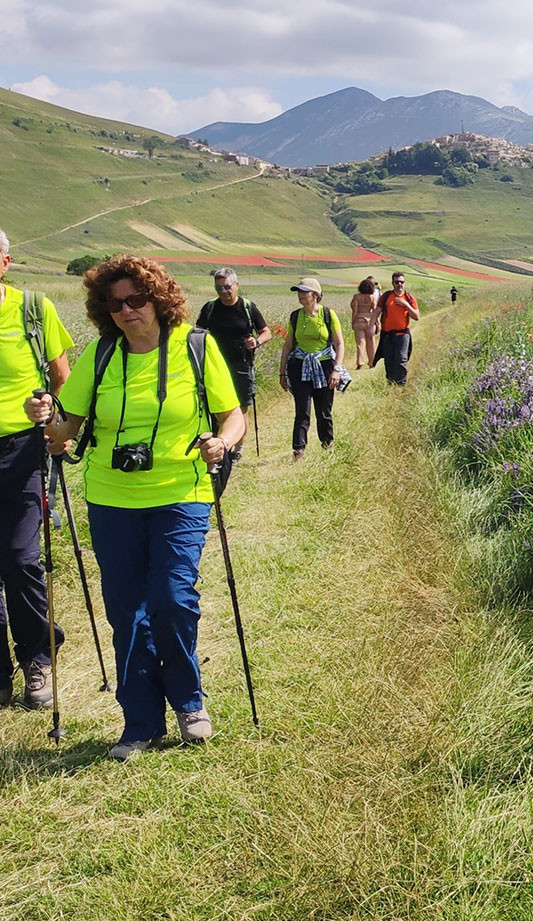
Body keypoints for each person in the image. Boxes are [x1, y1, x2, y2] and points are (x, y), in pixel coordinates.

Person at [23, 254, 243, 760]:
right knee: (127, 611)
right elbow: (64, 433)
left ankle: (189, 701)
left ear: (158, 299)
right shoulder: (100, 356)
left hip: (181, 493)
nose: (126, 310)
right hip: (110, 497)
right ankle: (139, 722)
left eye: (136, 299)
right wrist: (43, 417)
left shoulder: (195, 346)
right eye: (115, 303)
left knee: (171, 598)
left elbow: (233, 416)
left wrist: (222, 444)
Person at [0, 229, 74, 710]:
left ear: (5, 262)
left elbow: (63, 377)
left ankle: (36, 658)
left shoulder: (32, 309)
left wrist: (50, 408)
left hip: (22, 449)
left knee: (21, 559)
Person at [277, 277, 346, 460]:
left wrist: (337, 369)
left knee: (324, 409)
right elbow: (288, 345)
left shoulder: (328, 315)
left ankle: (327, 444)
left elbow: (339, 344)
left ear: (315, 295)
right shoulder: (295, 316)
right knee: (302, 409)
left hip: (324, 366)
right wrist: (282, 371)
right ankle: (299, 450)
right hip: (300, 366)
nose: (300, 295)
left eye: (303, 291)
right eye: (298, 291)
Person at [195, 267, 270, 409]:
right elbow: (198, 333)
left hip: (241, 365)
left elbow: (266, 332)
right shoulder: (210, 308)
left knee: (241, 408)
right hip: (214, 365)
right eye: (218, 287)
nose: (223, 291)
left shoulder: (247, 307)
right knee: (217, 408)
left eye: (227, 287)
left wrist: (256, 342)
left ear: (237, 285)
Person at [375, 272, 420, 387]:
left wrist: (405, 305)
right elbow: (377, 311)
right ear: (392, 283)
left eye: (402, 282)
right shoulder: (386, 297)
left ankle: (400, 385)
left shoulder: (409, 298)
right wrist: (371, 324)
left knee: (401, 360)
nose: (399, 284)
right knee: (389, 360)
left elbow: (416, 316)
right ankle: (391, 383)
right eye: (397, 282)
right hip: (387, 335)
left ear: (404, 283)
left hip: (403, 334)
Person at [349, 277, 380, 370]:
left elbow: (355, 311)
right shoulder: (372, 297)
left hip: (359, 320)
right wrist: (378, 324)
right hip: (370, 321)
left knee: (360, 343)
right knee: (371, 343)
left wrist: (353, 322)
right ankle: (372, 362)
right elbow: (375, 311)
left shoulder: (356, 297)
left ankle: (360, 362)